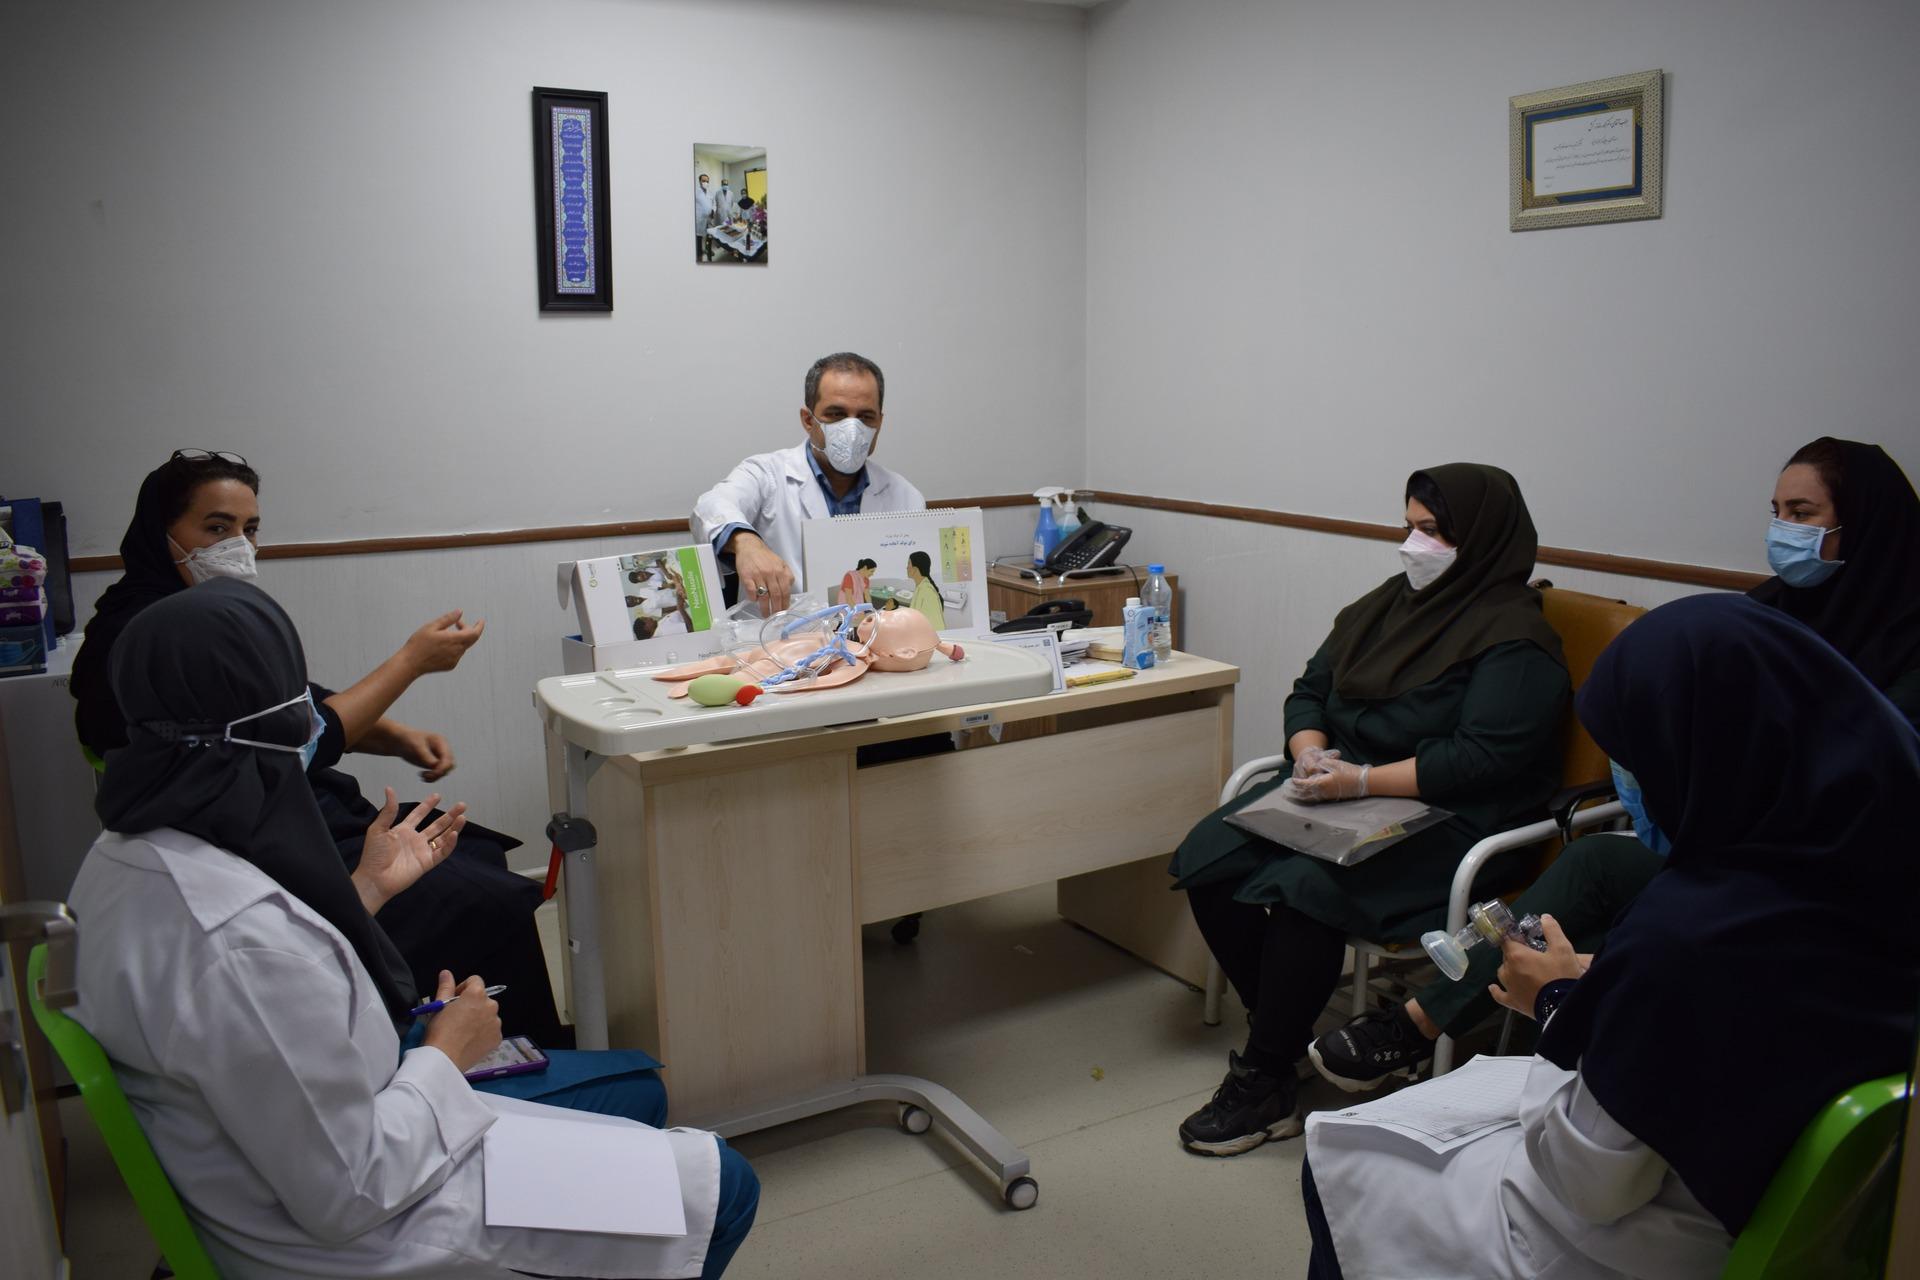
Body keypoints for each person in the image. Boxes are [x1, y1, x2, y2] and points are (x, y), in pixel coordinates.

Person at [70, 579, 758, 1278]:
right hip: (365, 1227)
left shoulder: (123, 855)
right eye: (295, 706)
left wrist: (366, 890)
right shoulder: (239, 944)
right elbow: (353, 1189)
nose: (313, 724)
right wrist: (447, 1052)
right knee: (723, 1185)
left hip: (304, 1144)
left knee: (637, 1087)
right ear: (257, 730)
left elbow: (272, 986)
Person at [1300, 593, 1920, 1279]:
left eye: (1636, 763)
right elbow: (1752, 1014)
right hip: (1790, 1217)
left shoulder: (1690, 931)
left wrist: (1557, 1005)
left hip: (1630, 1243)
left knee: (1341, 1155)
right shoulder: (1873, 868)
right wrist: (1619, 990)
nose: (1628, 789)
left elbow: (1586, 1183)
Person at [1308, 436, 1920, 1089]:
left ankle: (1518, 1033)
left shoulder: (1906, 649)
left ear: (1865, 522)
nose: (1782, 531)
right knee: (1596, 862)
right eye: (1776, 512)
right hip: (1725, 846)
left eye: (1802, 514)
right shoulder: (1767, 612)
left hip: (1825, 886)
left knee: (1656, 920)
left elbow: (1855, 792)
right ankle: (1427, 1025)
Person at [71, 451, 567, 1044]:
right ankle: (487, 1045)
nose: (238, 546)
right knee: (485, 901)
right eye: (217, 527)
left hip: (274, 808)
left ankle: (481, 1034)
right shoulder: (143, 630)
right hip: (244, 833)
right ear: (162, 531)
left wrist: (395, 736)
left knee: (476, 855)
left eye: (250, 529)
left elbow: (294, 709)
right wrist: (411, 662)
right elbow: (295, 734)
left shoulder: (208, 617)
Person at [1169, 464, 1570, 1156]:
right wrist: (1309, 752)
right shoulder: (1384, 607)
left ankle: (1266, 1080)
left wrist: (1360, 781)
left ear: (1481, 539)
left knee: (1306, 889)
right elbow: (1310, 688)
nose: (1413, 545)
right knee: (1208, 857)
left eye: (1432, 530)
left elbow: (1479, 761)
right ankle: (1283, 1029)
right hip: (1342, 788)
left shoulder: (1517, 641)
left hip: (1453, 819)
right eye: (1408, 526)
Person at [691, 352, 925, 612]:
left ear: (880, 422)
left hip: (873, 633)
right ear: (808, 419)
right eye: (836, 414)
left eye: (865, 417)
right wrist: (745, 543)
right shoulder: (766, 475)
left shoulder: (905, 496)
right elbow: (710, 506)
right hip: (779, 634)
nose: (853, 429)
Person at [906, 550, 947, 629]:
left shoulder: (927, 591)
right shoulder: (921, 586)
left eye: (908, 564)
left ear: (915, 569)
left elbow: (934, 627)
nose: (907, 567)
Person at [696, 173, 717, 262]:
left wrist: (713, 210)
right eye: (703, 181)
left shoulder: (710, 192)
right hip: (699, 219)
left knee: (709, 236)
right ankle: (699, 253)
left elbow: (714, 203)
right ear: (699, 181)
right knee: (699, 237)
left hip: (709, 218)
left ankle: (708, 249)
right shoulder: (696, 192)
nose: (705, 183)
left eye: (707, 181)